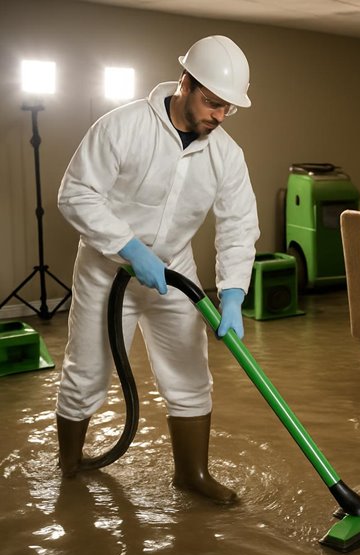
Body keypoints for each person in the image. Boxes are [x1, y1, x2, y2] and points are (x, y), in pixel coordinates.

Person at [55, 35, 259, 502]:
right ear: (185, 83)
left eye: (229, 108)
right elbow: (76, 193)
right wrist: (130, 247)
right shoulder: (123, 126)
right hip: (107, 270)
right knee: (87, 374)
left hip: (175, 273)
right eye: (212, 103)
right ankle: (69, 466)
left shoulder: (226, 154)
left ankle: (192, 476)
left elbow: (238, 224)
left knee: (190, 376)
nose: (220, 116)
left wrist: (232, 292)